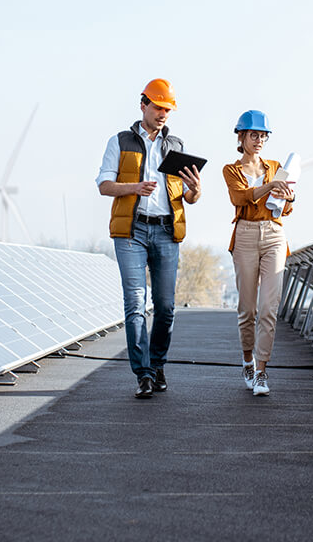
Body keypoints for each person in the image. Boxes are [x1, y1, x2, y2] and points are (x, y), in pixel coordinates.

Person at [96, 78, 202, 399]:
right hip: (132, 230)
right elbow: (103, 185)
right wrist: (134, 188)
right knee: (136, 304)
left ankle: (157, 365)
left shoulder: (177, 146)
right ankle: (142, 373)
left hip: (167, 230)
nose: (163, 114)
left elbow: (188, 196)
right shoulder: (120, 141)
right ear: (143, 105)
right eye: (158, 107)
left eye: (167, 109)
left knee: (167, 307)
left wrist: (196, 190)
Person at [222, 110, 294, 396]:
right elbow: (239, 197)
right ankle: (247, 360)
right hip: (246, 235)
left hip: (274, 234)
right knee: (248, 309)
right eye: (254, 135)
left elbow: (285, 209)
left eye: (263, 135)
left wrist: (287, 198)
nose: (259, 140)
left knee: (269, 308)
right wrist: (269, 186)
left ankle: (262, 371)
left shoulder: (276, 167)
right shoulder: (231, 170)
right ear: (241, 137)